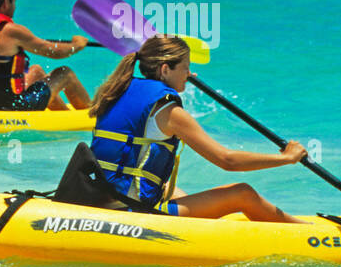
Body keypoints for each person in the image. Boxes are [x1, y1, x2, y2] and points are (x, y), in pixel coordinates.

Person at [88, 34, 306, 221]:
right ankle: (310, 235)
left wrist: (181, 74)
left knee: (173, 191)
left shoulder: (116, 91)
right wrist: (286, 158)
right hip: (132, 209)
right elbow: (227, 160)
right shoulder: (169, 111)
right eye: (186, 68)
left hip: (102, 194)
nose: (191, 75)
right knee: (243, 193)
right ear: (165, 69)